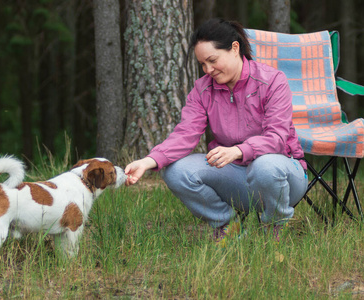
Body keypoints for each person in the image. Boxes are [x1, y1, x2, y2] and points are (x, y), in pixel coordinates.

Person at [124, 18, 308, 242]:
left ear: (234, 48)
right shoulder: (203, 89)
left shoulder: (272, 81)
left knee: (265, 166)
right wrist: (147, 161)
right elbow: (185, 134)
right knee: (175, 171)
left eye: (212, 60)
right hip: (237, 177)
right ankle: (229, 228)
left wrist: (239, 150)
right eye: (202, 64)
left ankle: (274, 228)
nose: (208, 70)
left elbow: (277, 138)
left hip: (283, 176)